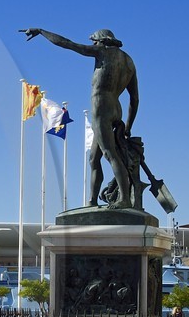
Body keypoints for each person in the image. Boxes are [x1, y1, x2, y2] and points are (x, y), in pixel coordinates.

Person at [21, 27, 140, 210]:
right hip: (116, 108)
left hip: (101, 107)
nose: (93, 44)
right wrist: (129, 126)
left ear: (101, 41)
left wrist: (41, 32)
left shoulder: (102, 51)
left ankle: (124, 199)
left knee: (109, 153)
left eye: (95, 41)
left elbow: (66, 43)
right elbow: (134, 99)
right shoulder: (128, 61)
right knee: (94, 158)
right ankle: (92, 201)